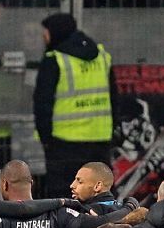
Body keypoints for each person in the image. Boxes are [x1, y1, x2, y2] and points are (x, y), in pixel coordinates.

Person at [35, 13, 114, 195]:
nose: (43, 37)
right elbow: (114, 97)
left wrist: (45, 137)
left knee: (65, 197)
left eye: (46, 32)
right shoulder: (101, 56)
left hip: (64, 142)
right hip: (100, 138)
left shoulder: (54, 60)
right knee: (100, 194)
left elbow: (42, 103)